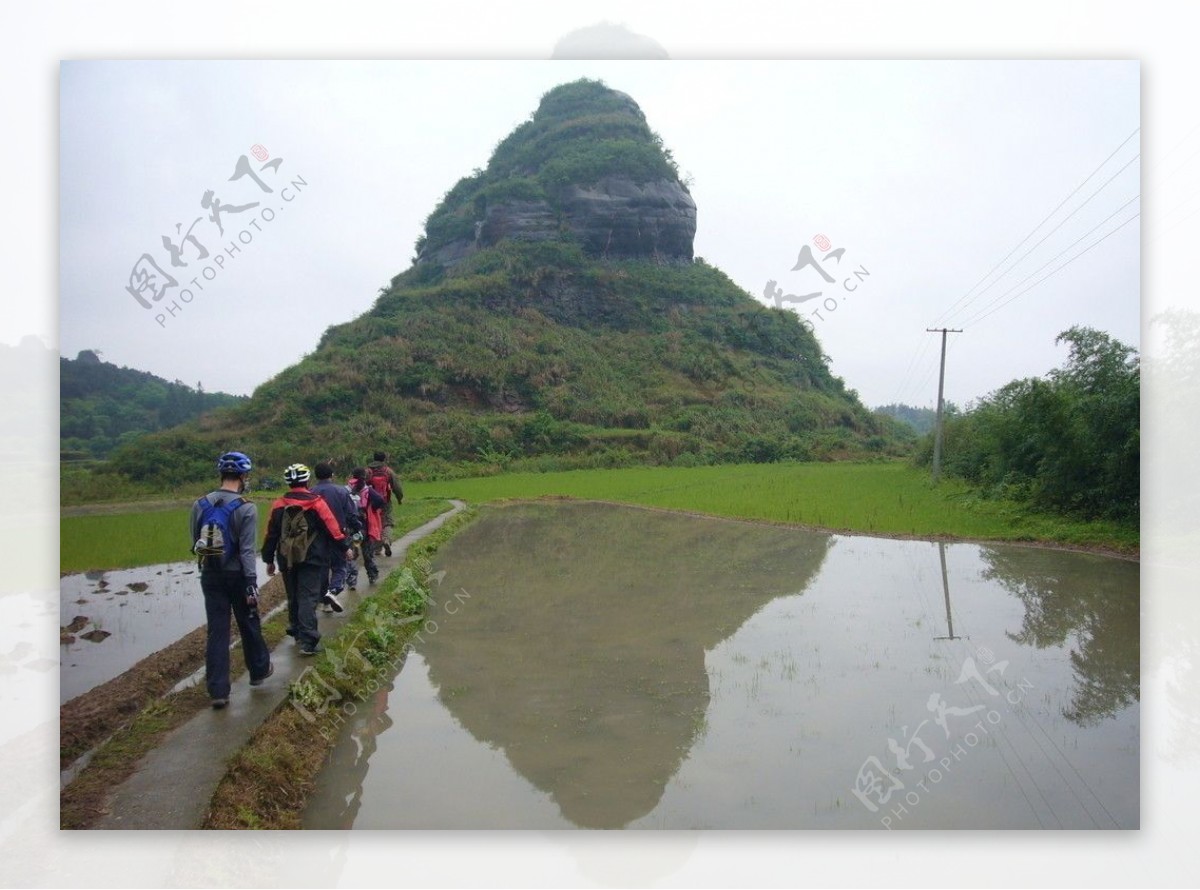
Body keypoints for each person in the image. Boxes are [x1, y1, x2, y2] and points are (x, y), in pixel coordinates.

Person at [190, 450, 272, 709]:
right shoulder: (246, 507)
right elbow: (247, 550)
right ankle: (258, 672)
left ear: (221, 474)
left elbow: (195, 542)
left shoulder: (200, 504)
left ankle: (218, 691)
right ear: (243, 476)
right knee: (248, 621)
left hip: (211, 575)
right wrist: (251, 581)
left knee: (217, 631)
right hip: (238, 575)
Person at [262, 463, 354, 656]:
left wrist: (268, 559)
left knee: (293, 594)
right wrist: (345, 548)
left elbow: (271, 534)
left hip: (286, 557)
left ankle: (296, 630)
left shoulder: (279, 504)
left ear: (288, 482)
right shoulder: (316, 502)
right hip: (312, 557)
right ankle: (308, 641)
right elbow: (333, 529)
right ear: (306, 480)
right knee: (308, 596)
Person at [312, 461, 358, 613]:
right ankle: (333, 592)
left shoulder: (311, 493)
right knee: (340, 567)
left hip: (317, 539)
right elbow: (351, 514)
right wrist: (358, 527)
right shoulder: (341, 492)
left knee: (323, 570)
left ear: (316, 476)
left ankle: (325, 603)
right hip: (338, 535)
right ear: (332, 475)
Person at [349, 467, 387, 585]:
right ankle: (372, 575)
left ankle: (352, 580)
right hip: (364, 527)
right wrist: (372, 509)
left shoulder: (346, 489)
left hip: (352, 528)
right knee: (367, 553)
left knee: (353, 553)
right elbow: (381, 500)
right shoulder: (368, 490)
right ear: (365, 477)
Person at [366, 451, 403, 557]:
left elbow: (361, 487)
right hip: (385, 501)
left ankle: (377, 548)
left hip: (371, 503)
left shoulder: (368, 471)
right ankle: (386, 540)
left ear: (373, 459)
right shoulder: (388, 471)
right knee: (387, 522)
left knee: (374, 523)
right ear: (384, 459)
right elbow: (397, 487)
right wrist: (399, 498)